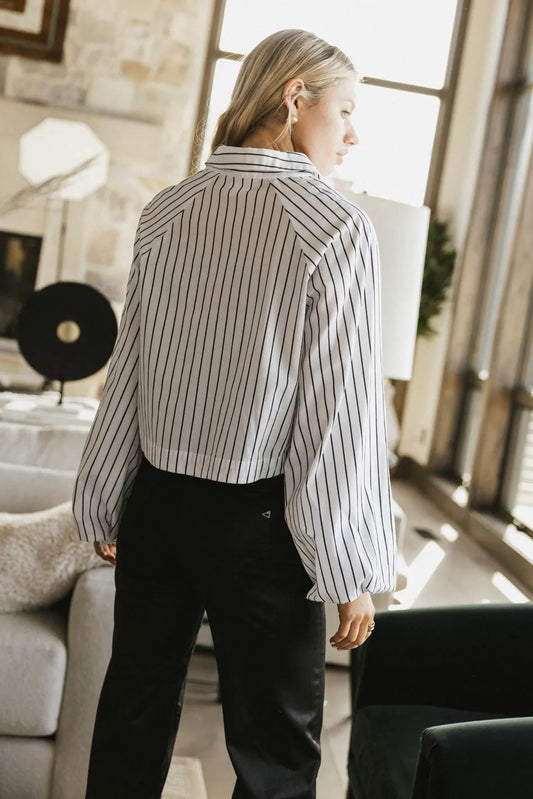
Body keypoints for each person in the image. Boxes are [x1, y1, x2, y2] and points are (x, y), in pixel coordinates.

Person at [72, 27, 397, 799]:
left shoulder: (167, 209)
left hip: (154, 505)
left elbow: (130, 374)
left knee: (131, 719)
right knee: (275, 751)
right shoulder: (334, 227)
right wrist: (349, 568)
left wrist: (104, 497)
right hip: (260, 525)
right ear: (295, 99)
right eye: (345, 110)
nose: (352, 134)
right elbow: (335, 419)